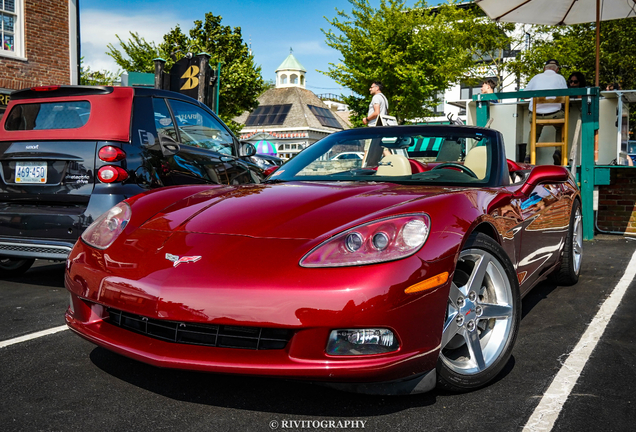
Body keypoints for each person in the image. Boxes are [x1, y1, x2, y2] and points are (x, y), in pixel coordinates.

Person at [525, 59, 568, 164]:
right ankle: (558, 151)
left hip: (537, 115)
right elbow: (566, 95)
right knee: (560, 127)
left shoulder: (536, 78)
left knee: (534, 131)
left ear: (544, 68)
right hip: (555, 115)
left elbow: (525, 95)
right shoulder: (560, 78)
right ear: (557, 70)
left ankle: (528, 155)